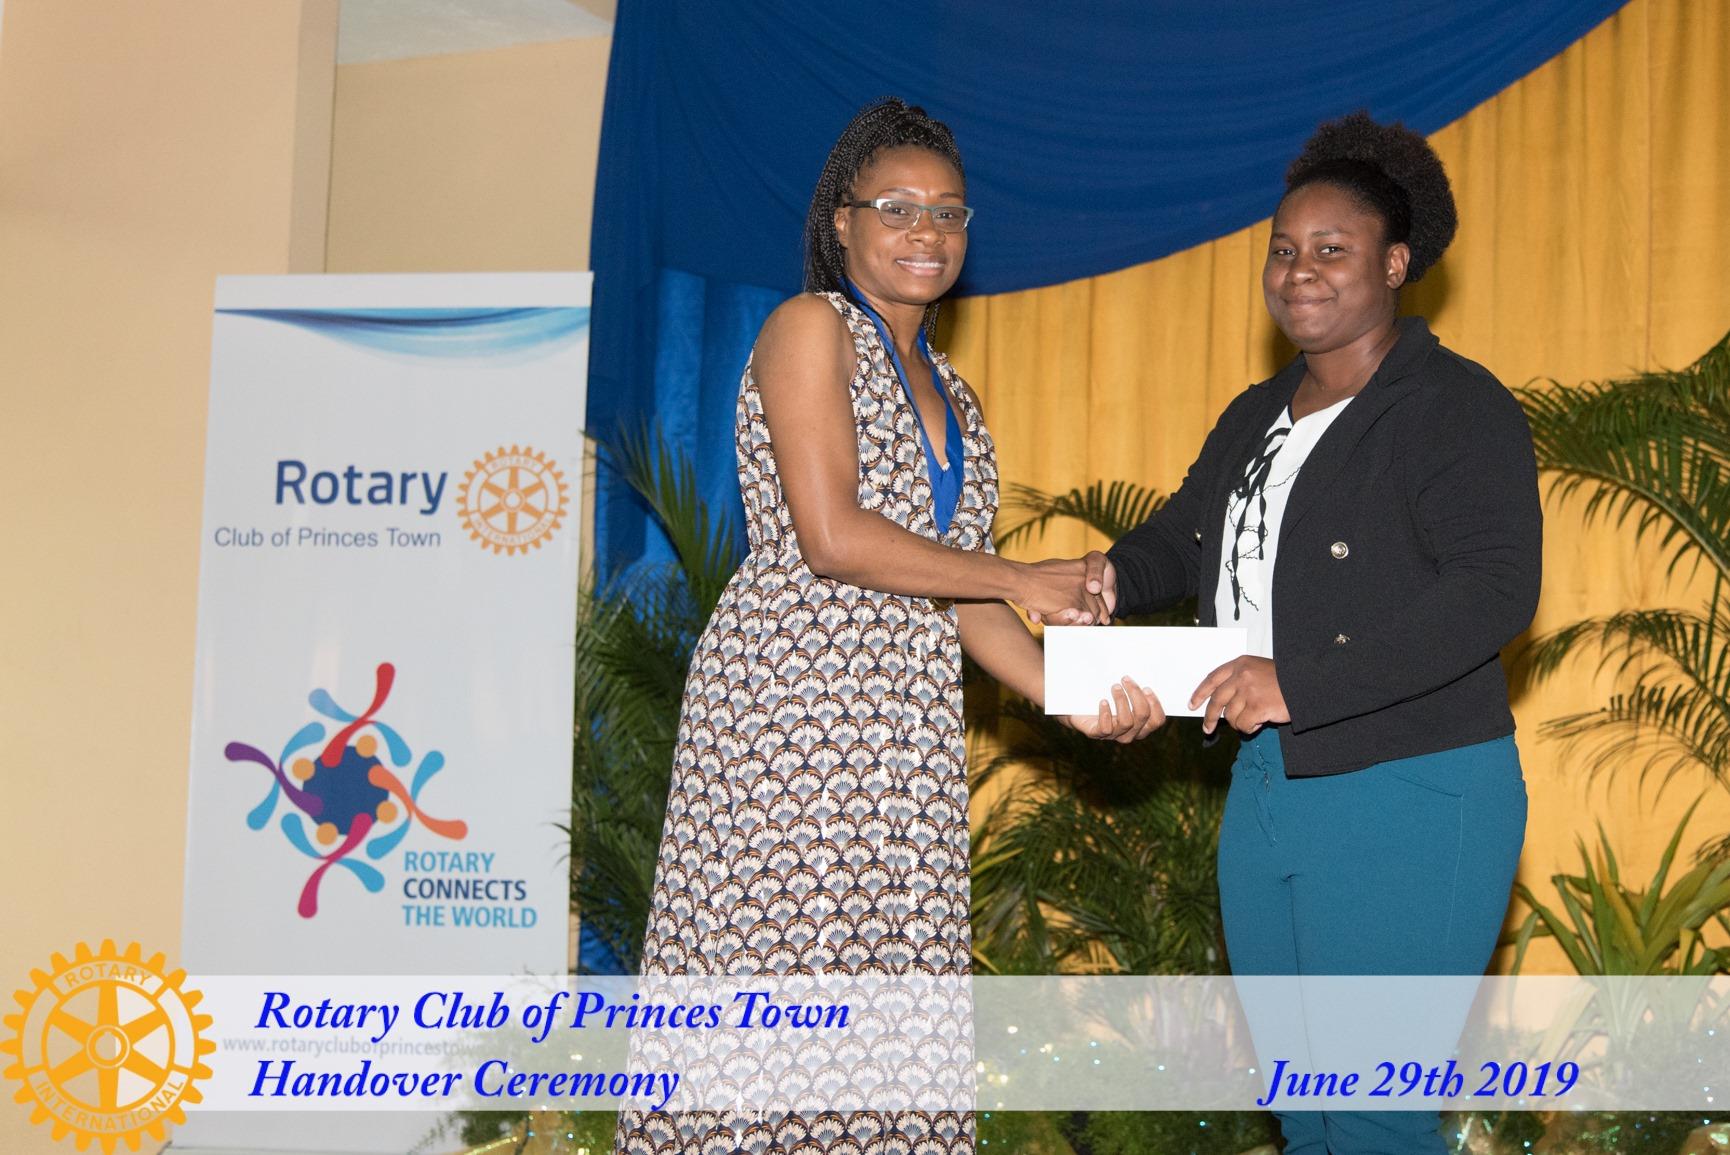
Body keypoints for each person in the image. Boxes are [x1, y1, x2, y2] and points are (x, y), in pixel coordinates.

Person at [614, 98, 1157, 1155]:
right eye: (897, 208)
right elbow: (831, 536)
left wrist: (1072, 693)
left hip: (903, 739)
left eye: (948, 213)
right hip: (795, 717)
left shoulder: (956, 392)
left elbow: (960, 597)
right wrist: (1023, 576)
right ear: (842, 223)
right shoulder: (808, 328)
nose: (926, 231)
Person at [1079, 113, 1541, 1154]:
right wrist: (1107, 578)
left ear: (1395, 262)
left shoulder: (1453, 407)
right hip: (1265, 787)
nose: (1299, 272)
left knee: (1373, 1114)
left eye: (1331, 249)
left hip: (1411, 786)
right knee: (1307, 1115)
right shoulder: (1257, 413)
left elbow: (1494, 589)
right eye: (1283, 250)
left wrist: (1299, 679)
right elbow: (1185, 537)